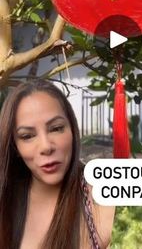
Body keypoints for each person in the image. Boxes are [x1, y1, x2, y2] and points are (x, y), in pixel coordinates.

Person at [0, 79, 115, 249]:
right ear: (14, 146)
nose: (46, 146)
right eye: (27, 136)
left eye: (56, 128)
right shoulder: (6, 199)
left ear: (72, 129)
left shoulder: (107, 200)